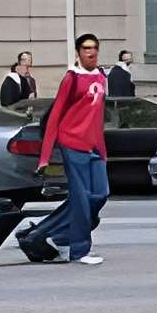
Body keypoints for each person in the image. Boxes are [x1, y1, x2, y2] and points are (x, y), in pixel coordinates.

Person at [31, 33, 112, 265]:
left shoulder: (101, 77)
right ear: (78, 53)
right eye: (86, 48)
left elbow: (97, 118)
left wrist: (102, 151)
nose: (91, 52)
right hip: (72, 143)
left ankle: (56, 235)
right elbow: (55, 116)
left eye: (94, 48)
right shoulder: (71, 79)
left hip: (94, 146)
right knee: (81, 198)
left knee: (101, 194)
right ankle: (79, 250)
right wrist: (45, 157)